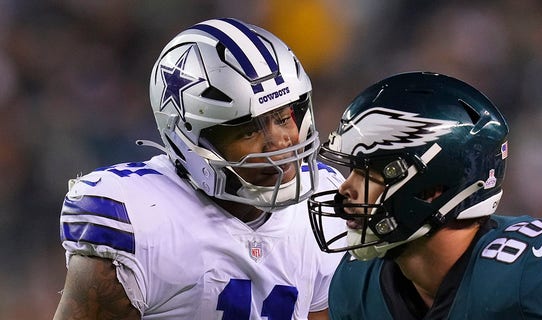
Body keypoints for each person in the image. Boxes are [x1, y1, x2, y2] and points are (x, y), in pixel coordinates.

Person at [54, 18, 345, 320]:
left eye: (284, 118)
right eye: (248, 131)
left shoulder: (323, 202)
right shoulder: (140, 218)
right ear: (190, 138)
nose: (280, 143)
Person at [307, 72, 542, 319]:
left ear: (433, 189)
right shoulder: (357, 283)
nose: (345, 188)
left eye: (368, 172)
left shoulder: (534, 270)